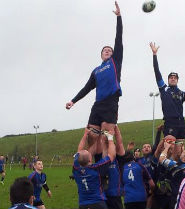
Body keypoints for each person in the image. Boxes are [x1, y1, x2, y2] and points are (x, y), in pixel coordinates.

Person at [66, 1, 123, 154]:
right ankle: (90, 168)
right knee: (92, 136)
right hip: (98, 105)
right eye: (105, 50)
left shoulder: (115, 62)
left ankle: (106, 169)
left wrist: (119, 17)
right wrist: (73, 100)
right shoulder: (96, 71)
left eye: (110, 50)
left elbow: (118, 39)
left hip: (111, 102)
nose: (108, 51)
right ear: (101, 54)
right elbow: (86, 88)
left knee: (106, 138)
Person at [149, 42, 185, 142]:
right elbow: (157, 71)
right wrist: (154, 55)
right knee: (169, 146)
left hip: (181, 123)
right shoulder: (163, 89)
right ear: (168, 80)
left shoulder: (182, 93)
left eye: (175, 78)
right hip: (170, 122)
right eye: (171, 78)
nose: (173, 79)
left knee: (179, 150)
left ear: (177, 80)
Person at [73, 129, 116, 209]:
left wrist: (85, 134)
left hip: (83, 205)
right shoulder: (97, 168)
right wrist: (110, 138)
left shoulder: (76, 169)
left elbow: (79, 151)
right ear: (90, 159)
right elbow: (111, 155)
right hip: (98, 203)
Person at [159, 140, 185, 209]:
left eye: (183, 153)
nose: (181, 153)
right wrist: (182, 148)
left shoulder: (175, 165)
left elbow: (161, 159)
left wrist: (166, 148)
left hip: (177, 197)